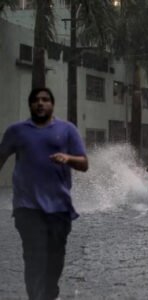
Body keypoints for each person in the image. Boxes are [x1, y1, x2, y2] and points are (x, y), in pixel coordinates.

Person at [0, 87, 88, 300]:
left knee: (54, 263)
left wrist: (68, 158)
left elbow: (84, 163)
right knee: (34, 259)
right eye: (35, 100)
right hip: (27, 208)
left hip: (59, 209)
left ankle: (49, 294)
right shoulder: (16, 131)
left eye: (45, 100)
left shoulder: (67, 130)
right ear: (30, 105)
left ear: (52, 104)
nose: (40, 103)